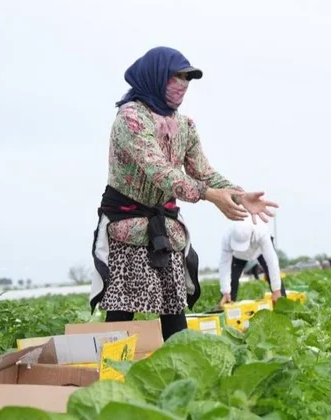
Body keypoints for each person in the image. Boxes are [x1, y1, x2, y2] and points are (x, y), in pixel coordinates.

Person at [90, 47, 278, 341]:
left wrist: (238, 195)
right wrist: (208, 195)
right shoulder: (131, 119)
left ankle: (181, 374)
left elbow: (203, 171)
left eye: (188, 78)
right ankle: (109, 372)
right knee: (122, 310)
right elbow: (160, 171)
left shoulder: (184, 125)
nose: (183, 84)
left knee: (173, 308)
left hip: (165, 229)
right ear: (156, 76)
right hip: (127, 224)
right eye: (177, 76)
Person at [219, 219, 286, 305]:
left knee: (272, 276)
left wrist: (276, 290)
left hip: (259, 250)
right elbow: (224, 264)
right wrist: (225, 291)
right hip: (238, 255)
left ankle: (283, 307)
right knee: (232, 280)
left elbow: (272, 261)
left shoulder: (262, 232)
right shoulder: (227, 237)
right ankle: (227, 309)